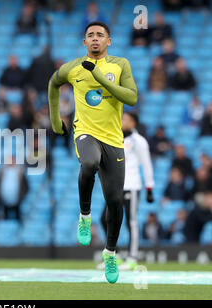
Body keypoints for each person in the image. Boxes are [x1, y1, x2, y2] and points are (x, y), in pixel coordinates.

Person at [48, 21, 138, 283]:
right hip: (85, 133)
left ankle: (110, 253)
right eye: (90, 35)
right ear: (84, 42)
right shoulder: (72, 67)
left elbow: (132, 98)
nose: (95, 38)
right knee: (89, 163)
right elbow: (53, 84)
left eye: (100, 35)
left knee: (115, 202)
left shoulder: (120, 65)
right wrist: (56, 121)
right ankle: (84, 216)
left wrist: (99, 78)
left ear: (109, 41)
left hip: (113, 139)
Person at [100, 113, 155, 271]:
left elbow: (146, 164)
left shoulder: (139, 141)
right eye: (122, 118)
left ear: (133, 123)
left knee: (131, 222)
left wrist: (149, 187)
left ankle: (132, 258)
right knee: (106, 219)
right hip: (115, 186)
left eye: (126, 119)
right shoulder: (114, 136)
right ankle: (114, 255)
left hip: (131, 185)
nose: (122, 121)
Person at [0, 156, 29, 221]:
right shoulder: (2, 172)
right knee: (5, 217)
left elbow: (26, 186)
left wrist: (22, 196)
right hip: (4, 200)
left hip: (17, 200)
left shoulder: (20, 172)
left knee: (17, 217)